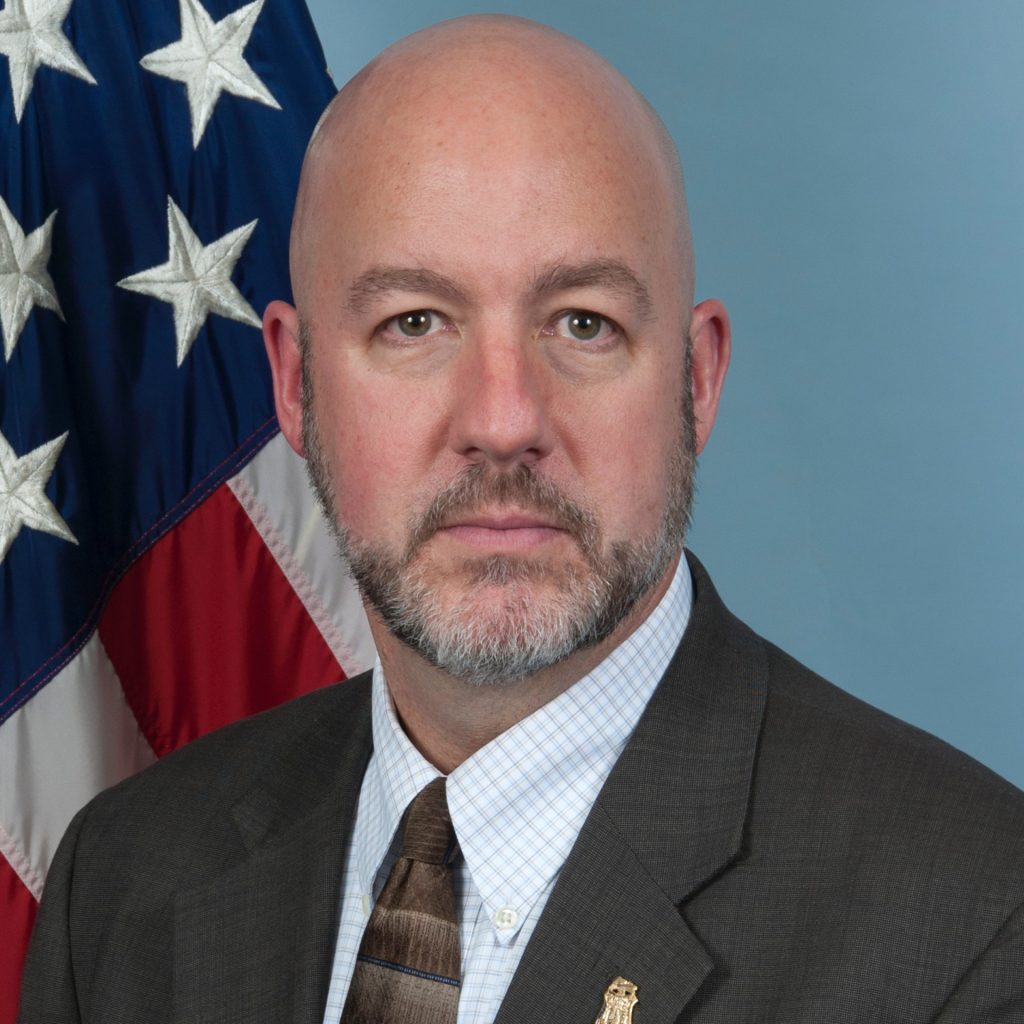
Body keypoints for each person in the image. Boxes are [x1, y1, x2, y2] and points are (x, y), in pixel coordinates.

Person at [19, 14, 1024, 1024]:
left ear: (696, 379)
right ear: (293, 381)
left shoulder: (972, 922)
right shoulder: (122, 883)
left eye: (582, 323)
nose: (502, 422)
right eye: (413, 322)